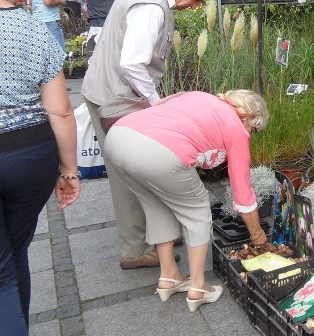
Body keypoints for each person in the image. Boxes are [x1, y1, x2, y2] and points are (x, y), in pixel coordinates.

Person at [81, 0, 214, 270]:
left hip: (111, 92)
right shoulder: (152, 6)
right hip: (117, 99)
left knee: (138, 168)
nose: (194, 8)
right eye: (197, 0)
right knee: (128, 173)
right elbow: (131, 63)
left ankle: (160, 235)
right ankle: (135, 249)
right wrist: (156, 103)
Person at [0, 0, 79, 336]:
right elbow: (62, 112)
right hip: (29, 156)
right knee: (13, 255)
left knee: (3, 265)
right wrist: (69, 170)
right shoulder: (32, 31)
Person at [104, 90, 269, 311]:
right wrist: (258, 236)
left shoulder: (199, 96)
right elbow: (242, 190)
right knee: (198, 210)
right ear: (249, 117)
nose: (251, 134)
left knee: (156, 205)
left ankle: (169, 276)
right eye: (255, 130)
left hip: (118, 138)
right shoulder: (237, 128)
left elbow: (157, 107)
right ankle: (198, 287)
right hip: (158, 151)